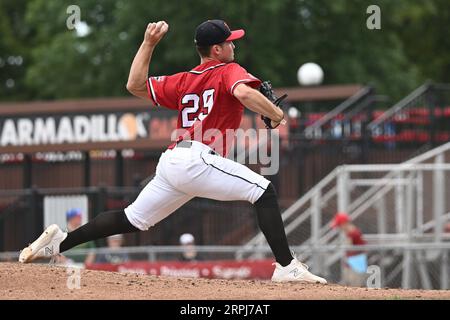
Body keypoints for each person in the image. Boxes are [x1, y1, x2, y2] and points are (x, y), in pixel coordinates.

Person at [18, 19, 326, 284]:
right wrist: (277, 114)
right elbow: (244, 92)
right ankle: (287, 267)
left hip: (173, 162)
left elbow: (134, 85)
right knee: (264, 191)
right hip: (196, 160)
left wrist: (148, 43)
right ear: (216, 50)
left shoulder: (184, 80)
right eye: (229, 42)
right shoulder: (227, 69)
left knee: (131, 218)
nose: (234, 46)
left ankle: (61, 242)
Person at [331, 212, 368, 287]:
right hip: (353, 261)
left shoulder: (352, 233)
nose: (339, 228)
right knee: (350, 284)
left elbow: (349, 247)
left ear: (344, 223)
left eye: (339, 225)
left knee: (355, 285)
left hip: (356, 261)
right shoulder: (351, 232)